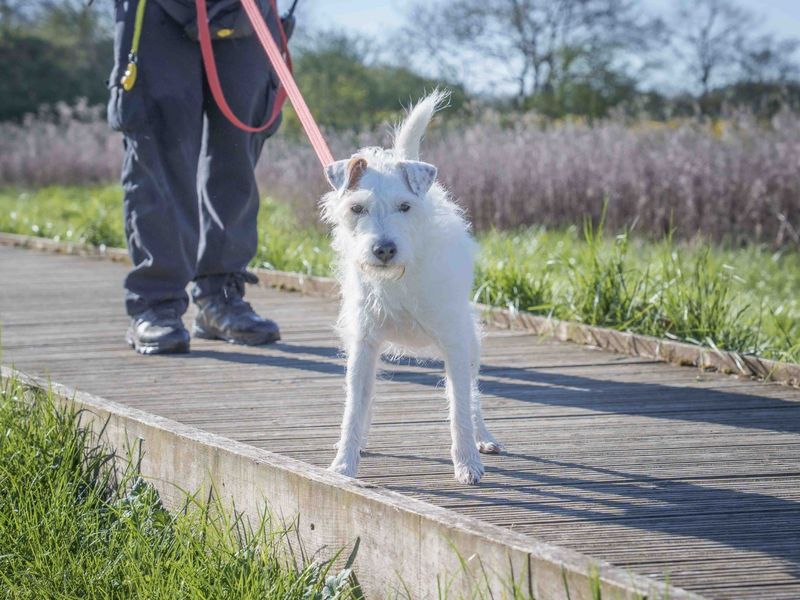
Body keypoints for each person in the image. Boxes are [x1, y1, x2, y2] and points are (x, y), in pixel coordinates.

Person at [107, 0, 288, 355]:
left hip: (246, 10)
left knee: (238, 151)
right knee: (158, 150)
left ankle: (219, 298)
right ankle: (156, 302)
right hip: (157, 9)